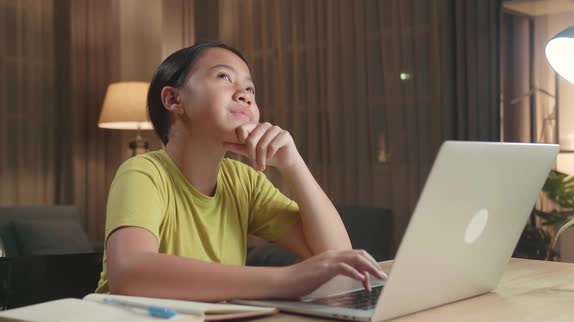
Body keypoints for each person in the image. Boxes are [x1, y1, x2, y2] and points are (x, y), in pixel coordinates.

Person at [96, 40, 387, 302]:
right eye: (224, 77)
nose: (246, 95)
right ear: (174, 100)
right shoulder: (143, 172)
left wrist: (294, 164)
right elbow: (130, 273)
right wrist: (287, 279)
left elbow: (336, 259)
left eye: (250, 89)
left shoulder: (244, 181)